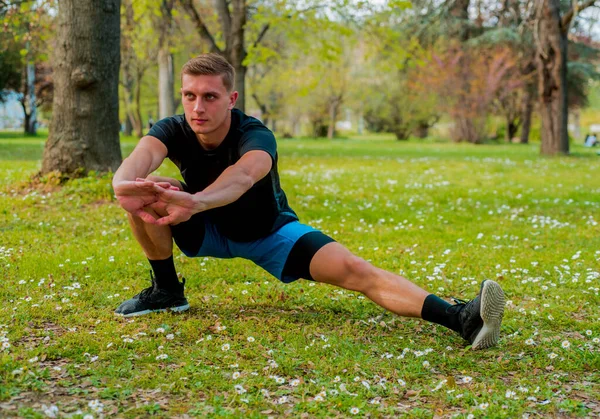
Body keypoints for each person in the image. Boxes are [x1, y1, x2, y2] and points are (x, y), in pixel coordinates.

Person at [112, 53, 506, 350]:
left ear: (230, 97)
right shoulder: (171, 128)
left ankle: (460, 318)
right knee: (145, 190)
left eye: (210, 96)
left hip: (267, 233)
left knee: (355, 269)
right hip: (204, 227)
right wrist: (124, 185)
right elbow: (138, 161)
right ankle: (166, 291)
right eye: (190, 95)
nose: (198, 107)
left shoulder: (256, 135)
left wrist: (195, 201)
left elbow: (243, 177)